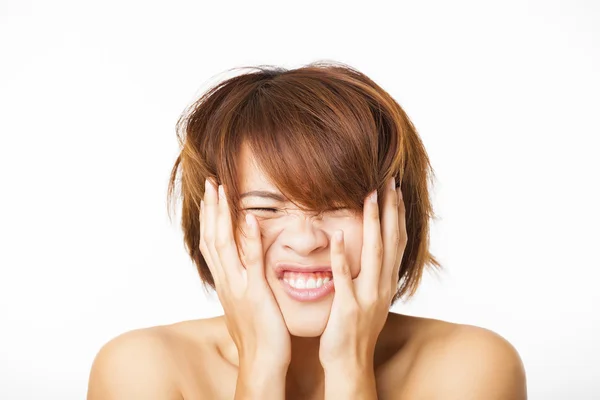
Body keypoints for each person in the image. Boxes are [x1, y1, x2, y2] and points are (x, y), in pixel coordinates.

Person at [87, 61, 527, 399]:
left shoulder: (471, 367)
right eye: (265, 207)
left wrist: (349, 369)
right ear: (211, 221)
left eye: (337, 206)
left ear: (398, 218)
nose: (305, 239)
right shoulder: (142, 370)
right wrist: (259, 367)